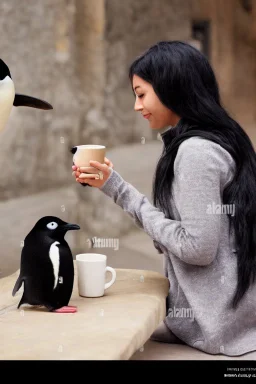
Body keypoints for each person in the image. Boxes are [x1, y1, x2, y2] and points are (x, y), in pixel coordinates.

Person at [72, 41, 256, 357]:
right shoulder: (210, 140)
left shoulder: (195, 152)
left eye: (141, 94)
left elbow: (197, 248)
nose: (136, 106)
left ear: (173, 88)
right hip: (230, 319)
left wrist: (119, 190)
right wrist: (110, 183)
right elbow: (185, 237)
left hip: (212, 326)